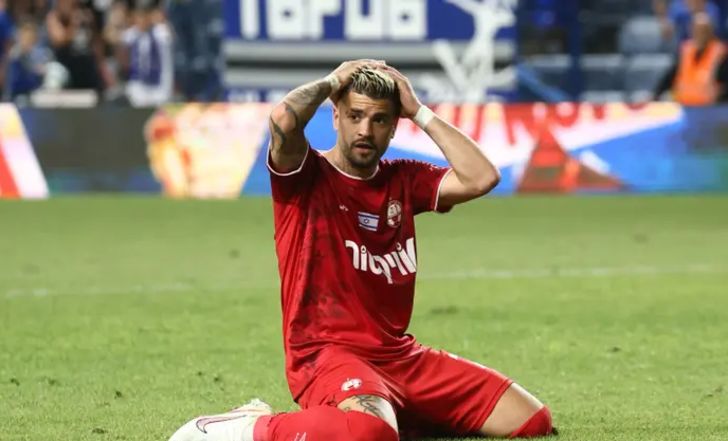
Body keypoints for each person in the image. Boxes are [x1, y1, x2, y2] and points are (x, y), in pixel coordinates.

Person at [167, 60, 556, 441]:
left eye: (380, 119)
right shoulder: (304, 175)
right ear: (336, 116)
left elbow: (482, 177)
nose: (365, 130)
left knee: (530, 420)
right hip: (326, 355)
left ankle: (386, 417)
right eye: (355, 116)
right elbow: (284, 119)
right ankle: (249, 426)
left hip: (399, 356)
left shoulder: (403, 179)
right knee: (370, 433)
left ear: (394, 126)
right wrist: (332, 81)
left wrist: (419, 111)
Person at [654, 12, 728, 105]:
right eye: (697, 30)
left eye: (704, 30)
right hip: (685, 107)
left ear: (711, 31)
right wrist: (655, 96)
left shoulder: (721, 54)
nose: (700, 34)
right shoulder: (686, 51)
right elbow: (669, 78)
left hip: (711, 109)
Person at [119, 0, 173, 106]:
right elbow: (115, 38)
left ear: (149, 17)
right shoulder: (132, 34)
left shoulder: (159, 32)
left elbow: (169, 37)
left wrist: (161, 19)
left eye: (144, 17)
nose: (141, 21)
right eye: (138, 17)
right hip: (138, 84)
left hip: (157, 84)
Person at [2, 19, 51, 101]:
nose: (26, 41)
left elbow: (42, 80)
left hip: (36, 97)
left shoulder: (42, 55)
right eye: (24, 37)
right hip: (15, 98)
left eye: (29, 38)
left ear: (35, 39)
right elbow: (12, 84)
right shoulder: (15, 56)